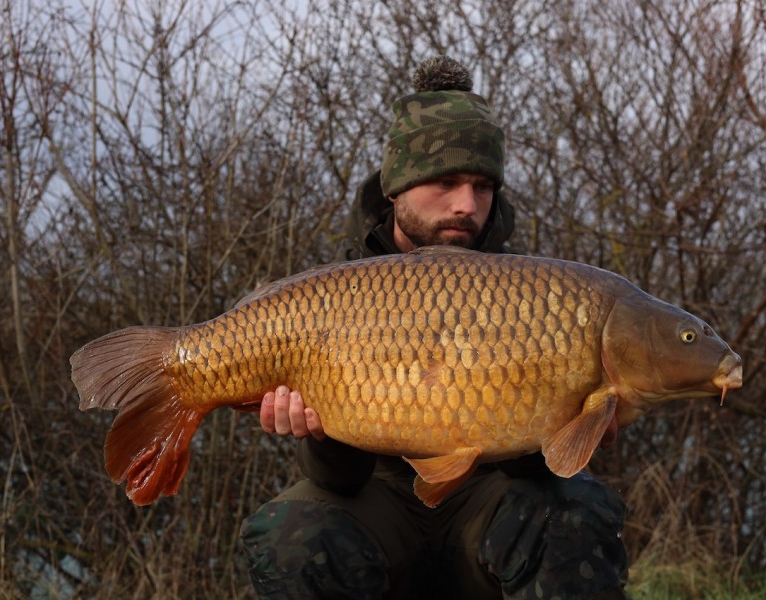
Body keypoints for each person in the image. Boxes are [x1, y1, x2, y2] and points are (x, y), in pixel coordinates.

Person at [240, 56, 629, 600]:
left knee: (576, 507)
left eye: (483, 186)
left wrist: (569, 428)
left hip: (487, 507)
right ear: (397, 187)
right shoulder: (332, 293)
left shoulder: (535, 294)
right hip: (378, 504)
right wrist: (317, 433)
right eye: (445, 181)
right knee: (292, 534)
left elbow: (536, 469)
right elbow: (335, 483)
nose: (466, 205)